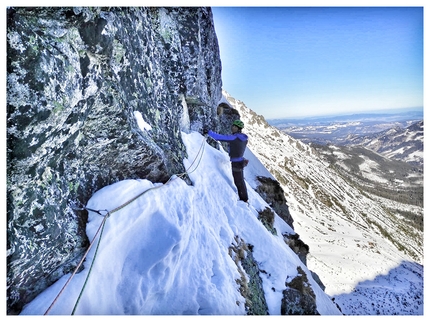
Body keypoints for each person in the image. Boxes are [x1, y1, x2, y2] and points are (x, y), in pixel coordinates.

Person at [204, 120, 249, 203]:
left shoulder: (235, 137)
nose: (232, 127)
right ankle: (244, 198)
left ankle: (244, 199)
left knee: (238, 181)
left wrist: (209, 132)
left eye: (235, 126)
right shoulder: (243, 138)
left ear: (238, 129)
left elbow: (220, 137)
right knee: (240, 180)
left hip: (236, 163)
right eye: (233, 126)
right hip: (239, 161)